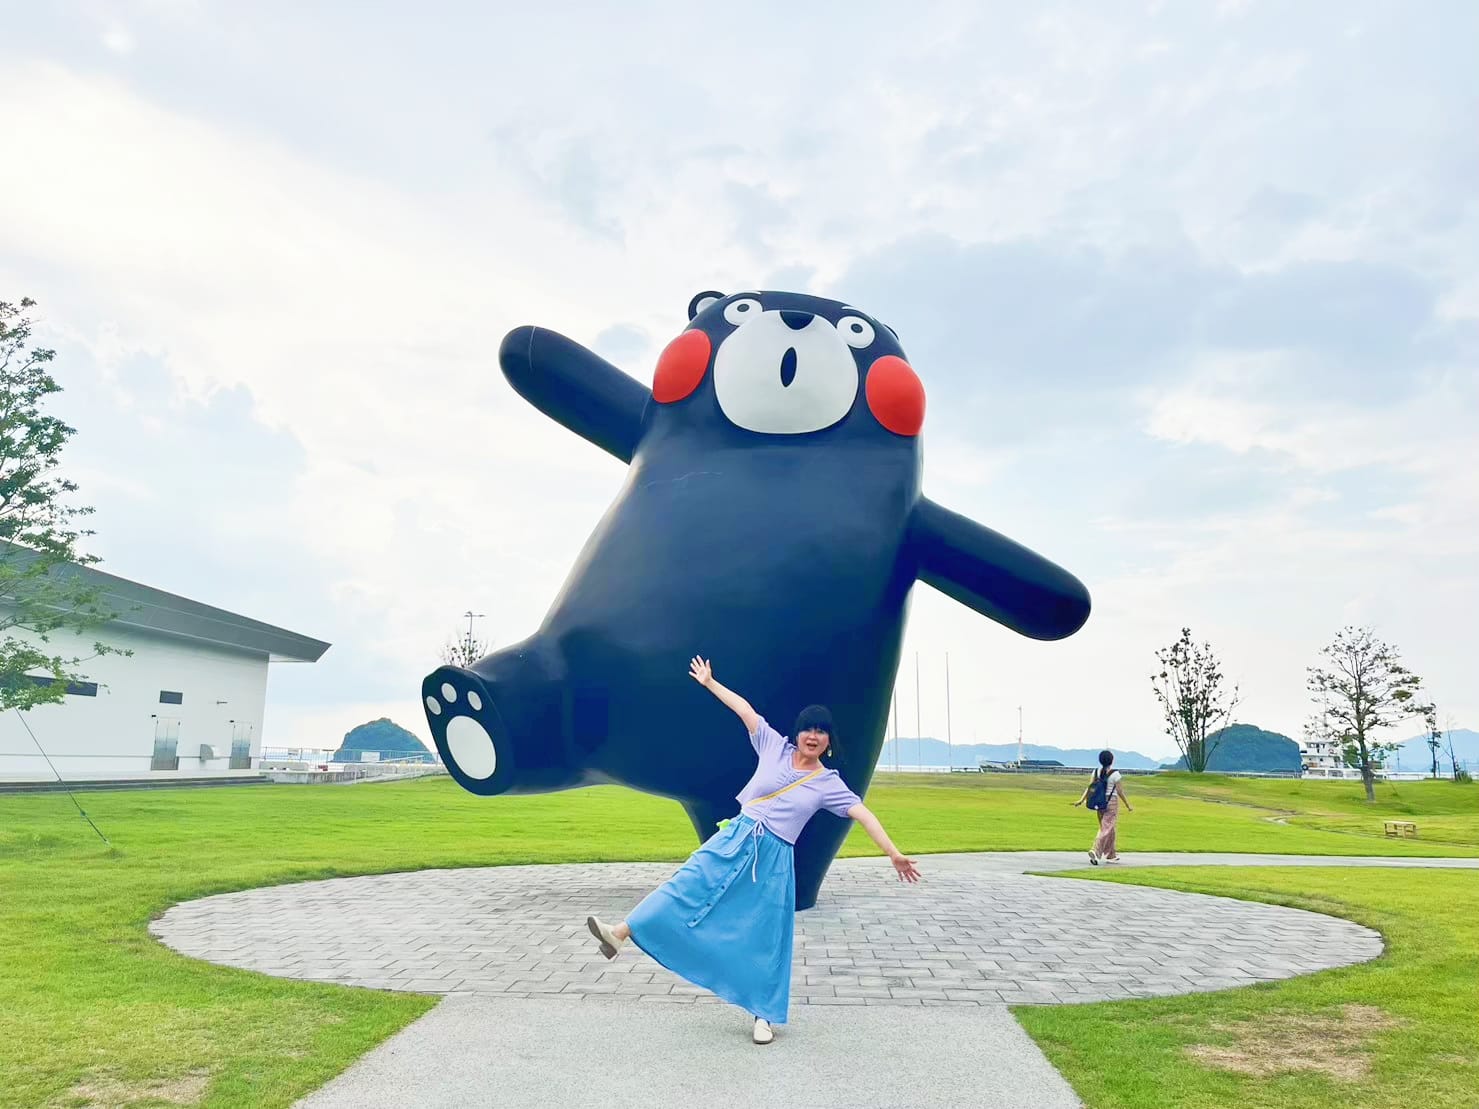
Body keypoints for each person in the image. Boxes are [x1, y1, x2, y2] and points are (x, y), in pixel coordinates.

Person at [585, 655, 921, 1045]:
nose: (813, 736)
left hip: (774, 859)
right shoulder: (773, 747)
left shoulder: (829, 783)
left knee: (766, 936)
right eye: (807, 729)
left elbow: (863, 814)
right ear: (797, 733)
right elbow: (745, 709)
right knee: (684, 885)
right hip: (736, 837)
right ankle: (620, 933)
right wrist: (710, 682)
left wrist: (893, 853)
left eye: (821, 732)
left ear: (829, 741)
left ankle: (764, 1015)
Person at [1072, 748, 1133, 864]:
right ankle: (1095, 850)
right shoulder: (1115, 774)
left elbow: (1090, 788)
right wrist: (1128, 804)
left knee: (1109, 828)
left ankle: (1111, 855)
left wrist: (1081, 800)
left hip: (1098, 803)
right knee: (1106, 828)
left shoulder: (1095, 772)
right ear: (1112, 760)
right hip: (1111, 803)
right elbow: (1120, 792)